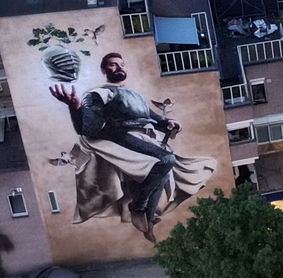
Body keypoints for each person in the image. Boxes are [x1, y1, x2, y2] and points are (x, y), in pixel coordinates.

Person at [49, 52, 217, 233]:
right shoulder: (97, 94)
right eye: (113, 64)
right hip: (119, 136)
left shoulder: (134, 93)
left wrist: (167, 122)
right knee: (167, 159)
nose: (119, 67)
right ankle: (138, 206)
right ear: (104, 70)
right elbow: (87, 128)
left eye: (122, 64)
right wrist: (75, 108)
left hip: (145, 136)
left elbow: (150, 116)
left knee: (163, 173)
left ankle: (148, 218)